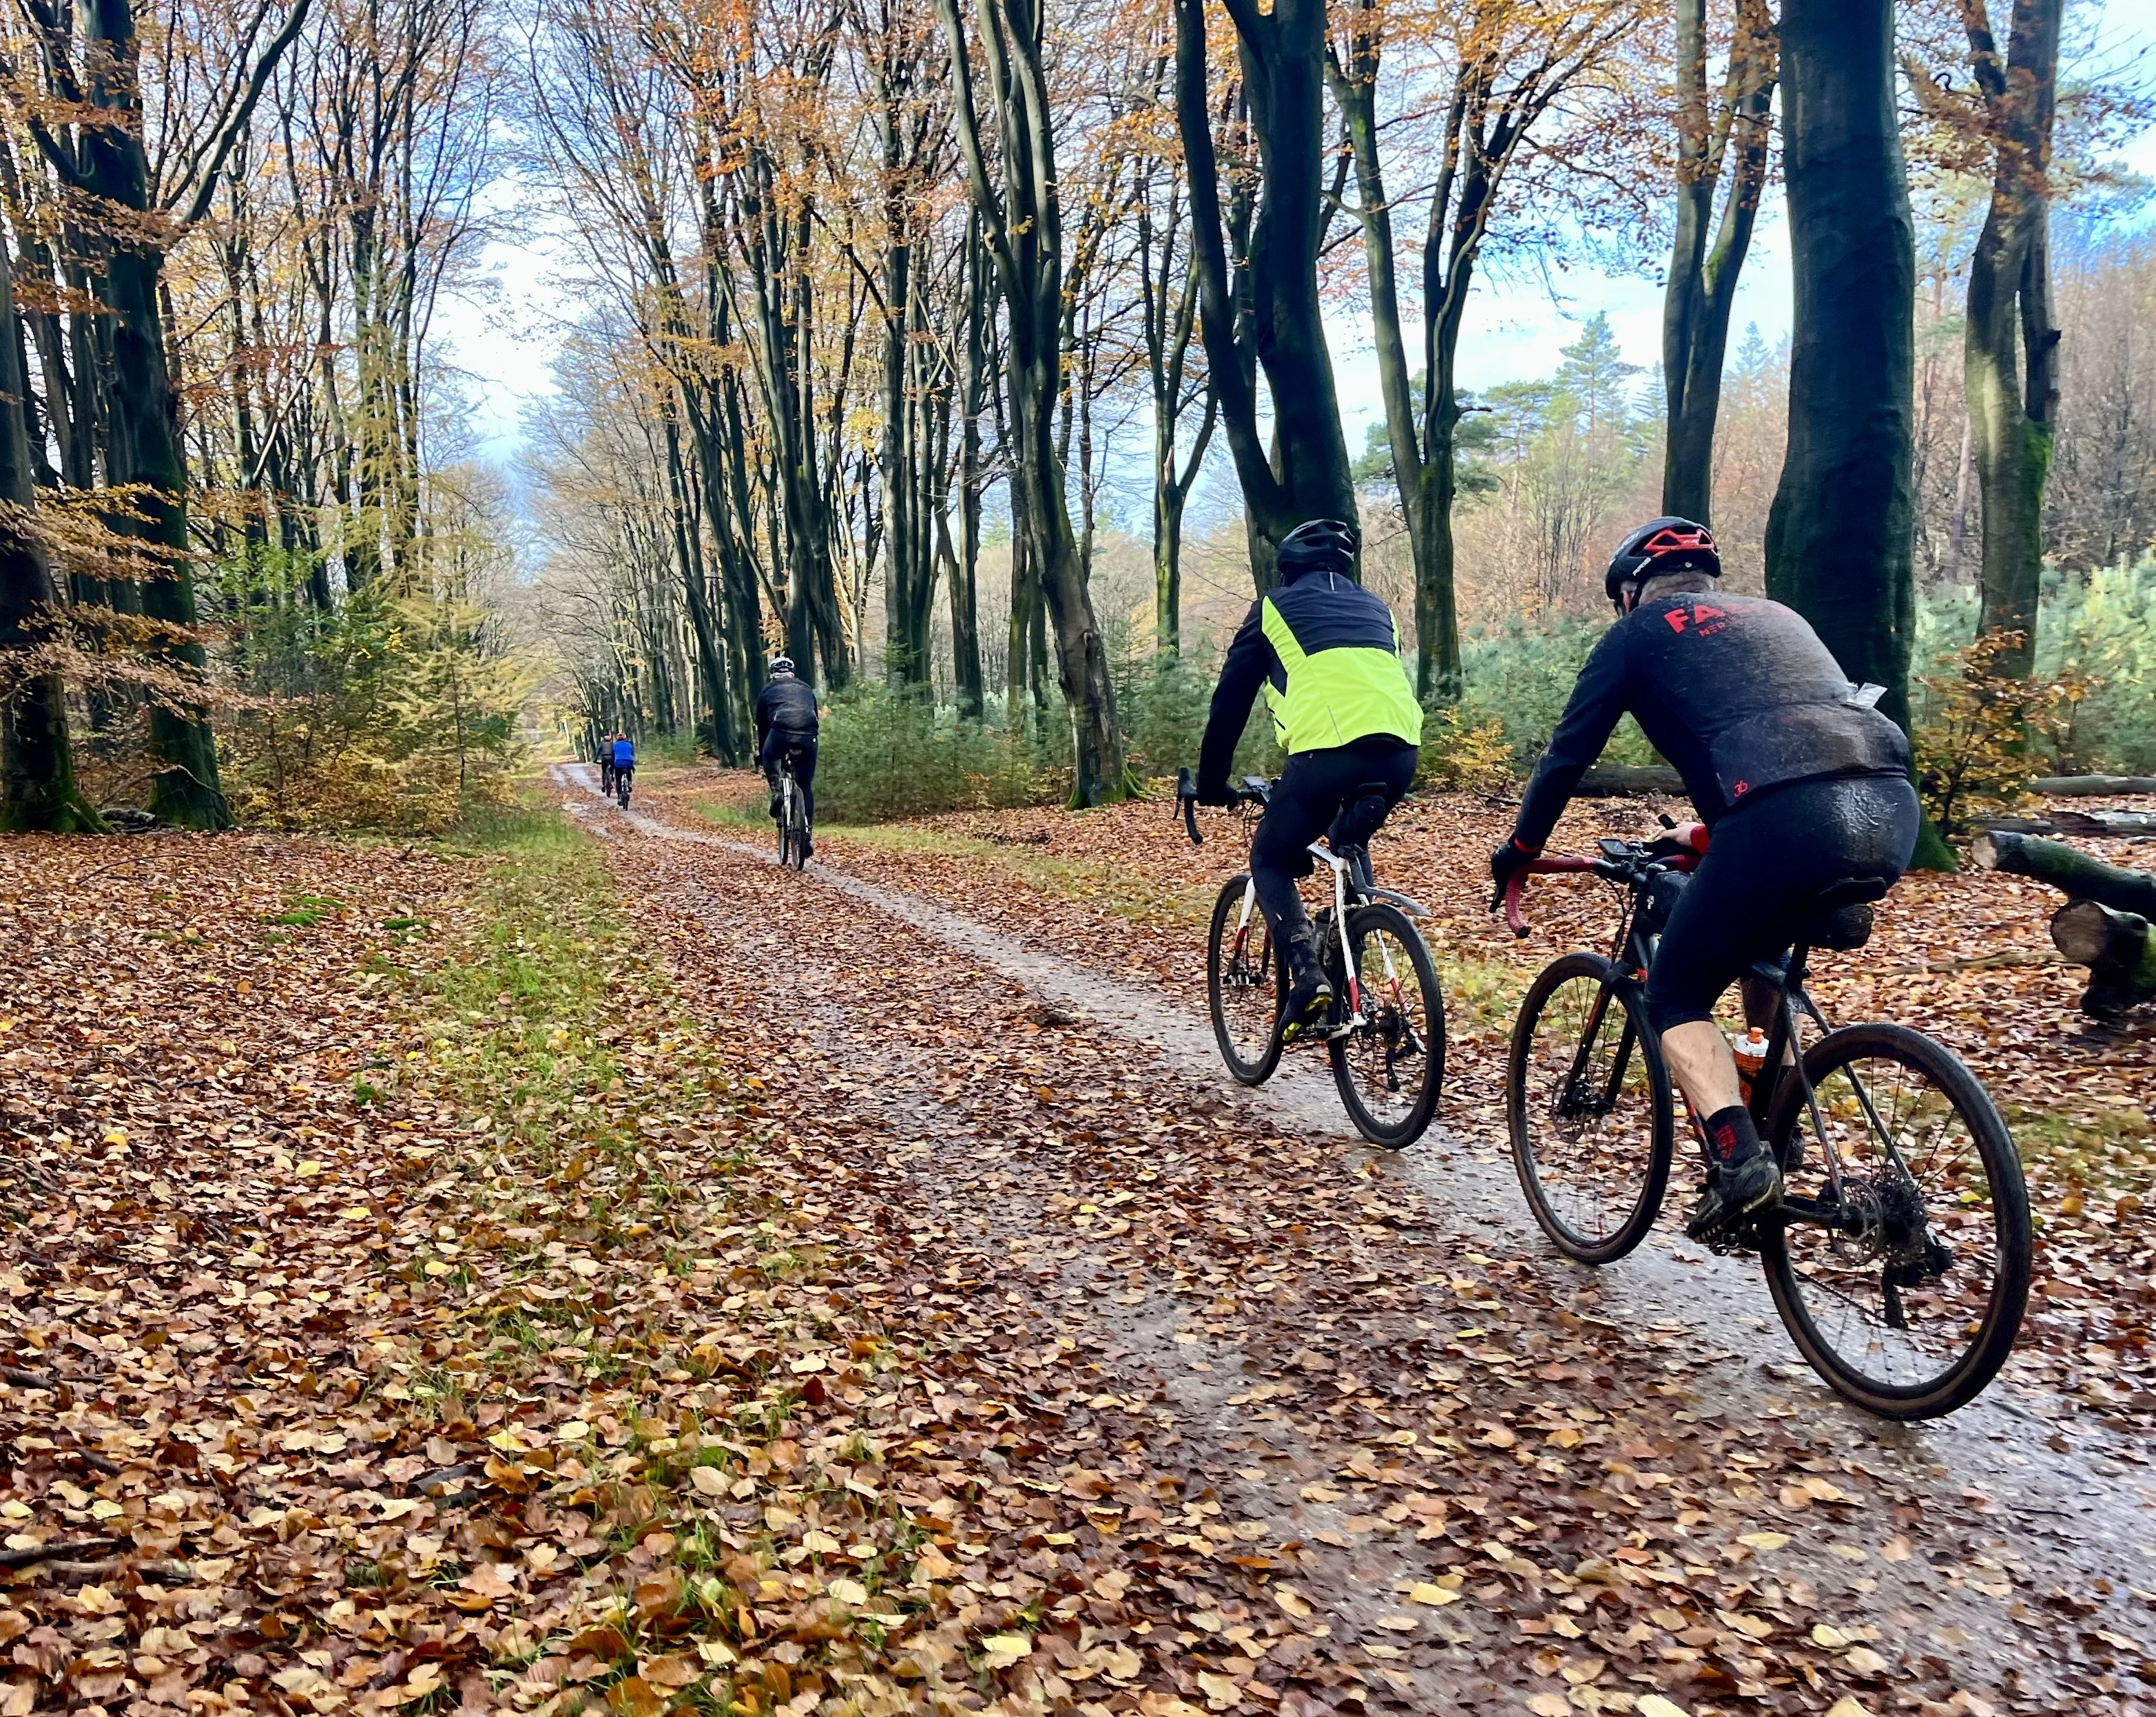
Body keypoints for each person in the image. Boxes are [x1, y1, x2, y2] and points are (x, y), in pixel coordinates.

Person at [1489, 517, 1920, 1242]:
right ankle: (1778, 1130)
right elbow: (1796, 735)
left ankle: (1737, 1164)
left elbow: (1565, 758)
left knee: (1676, 994)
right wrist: (1700, 835)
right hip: (1884, 807)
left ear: (1630, 591)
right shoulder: (1779, 617)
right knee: (1766, 962)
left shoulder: (1636, 634)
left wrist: (1521, 849)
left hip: (1781, 818)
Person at [1194, 519, 1424, 1037]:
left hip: (1326, 750)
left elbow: (1230, 702)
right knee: (1347, 840)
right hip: (1401, 751)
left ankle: (1307, 976)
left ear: (1288, 568)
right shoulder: (1375, 607)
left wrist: (1212, 782)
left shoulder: (1273, 607)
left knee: (1271, 856)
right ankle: (1354, 974)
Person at [756, 656, 820, 859]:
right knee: (805, 785)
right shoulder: (806, 688)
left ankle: (776, 790)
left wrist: (762, 752)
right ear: (793, 673)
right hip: (809, 734)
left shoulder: (767, 691)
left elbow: (762, 726)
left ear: (772, 675)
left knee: (768, 753)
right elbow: (814, 714)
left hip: (781, 731)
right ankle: (807, 835)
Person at [610, 731, 635, 798]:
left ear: (617, 738)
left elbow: (612, 756)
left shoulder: (614, 745)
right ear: (625, 738)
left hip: (618, 762)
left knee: (618, 780)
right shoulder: (629, 745)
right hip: (629, 762)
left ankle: (619, 797)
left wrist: (612, 765)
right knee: (628, 770)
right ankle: (629, 784)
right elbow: (632, 754)